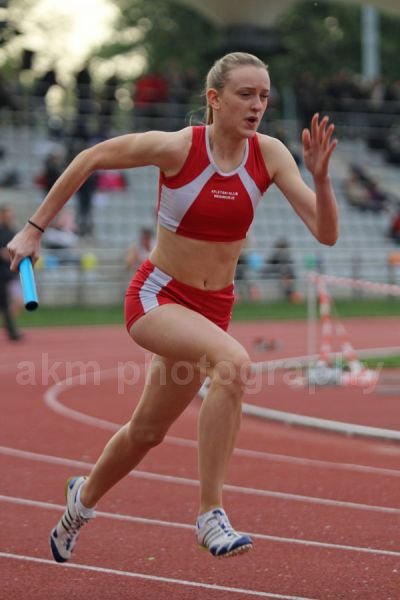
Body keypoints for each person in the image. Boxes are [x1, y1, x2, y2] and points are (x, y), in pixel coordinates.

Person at [7, 52, 339, 561]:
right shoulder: (178, 148)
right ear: (214, 99)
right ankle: (210, 514)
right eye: (245, 95)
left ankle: (81, 501)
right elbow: (91, 157)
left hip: (213, 308)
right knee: (233, 364)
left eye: (264, 96)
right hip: (158, 297)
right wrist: (34, 229)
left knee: (146, 432)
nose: (257, 106)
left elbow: (326, 233)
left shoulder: (270, 155)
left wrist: (321, 179)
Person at [0, 205, 23, 341]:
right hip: (2, 274)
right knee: (6, 304)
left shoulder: (12, 232)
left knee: (15, 302)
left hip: (10, 273)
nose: (10, 216)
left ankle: (10, 327)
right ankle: (12, 331)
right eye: (7, 214)